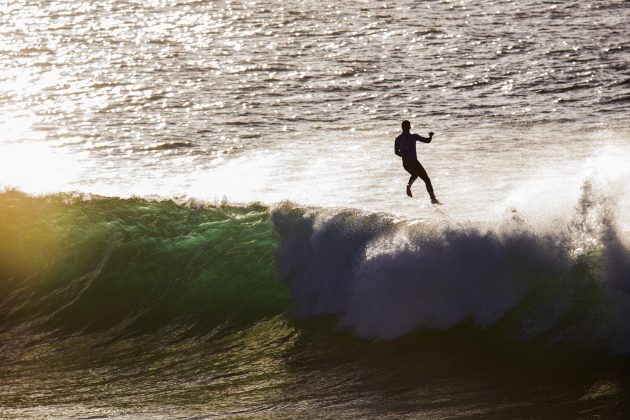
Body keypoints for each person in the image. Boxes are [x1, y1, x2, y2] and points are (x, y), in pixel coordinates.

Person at [394, 120, 441, 204]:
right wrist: (430, 136)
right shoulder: (413, 136)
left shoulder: (398, 139)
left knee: (415, 174)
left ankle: (409, 185)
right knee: (427, 180)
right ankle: (433, 198)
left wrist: (404, 156)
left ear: (402, 127)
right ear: (409, 127)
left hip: (405, 163)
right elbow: (427, 141)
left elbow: (396, 152)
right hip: (414, 161)